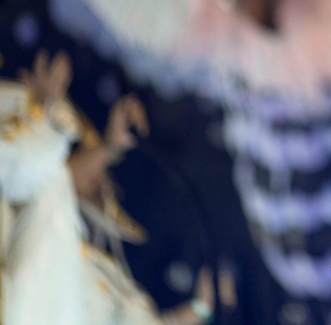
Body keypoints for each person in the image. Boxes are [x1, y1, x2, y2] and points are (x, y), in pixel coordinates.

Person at [0, 50, 216, 325]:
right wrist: (43, 115)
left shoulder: (92, 260)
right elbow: (39, 175)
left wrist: (201, 307)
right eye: (79, 152)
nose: (99, 174)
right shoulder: (37, 189)